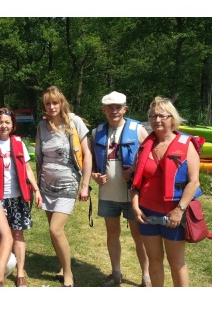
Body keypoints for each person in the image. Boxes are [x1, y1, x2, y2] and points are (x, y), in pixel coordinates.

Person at [131, 96, 202, 287]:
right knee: (154, 260)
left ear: (172, 118)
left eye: (162, 116)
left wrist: (179, 210)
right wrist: (135, 206)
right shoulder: (145, 145)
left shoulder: (187, 144)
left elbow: (194, 182)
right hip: (146, 212)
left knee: (176, 262)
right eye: (153, 116)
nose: (157, 120)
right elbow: (137, 181)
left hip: (174, 213)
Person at [0, 107, 42, 287]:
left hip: (16, 198)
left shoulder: (19, 143)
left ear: (13, 125)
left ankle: (20, 273)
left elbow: (27, 169)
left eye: (7, 122)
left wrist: (36, 190)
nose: (3, 126)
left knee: (17, 235)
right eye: (0, 122)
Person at [91, 91, 151, 287]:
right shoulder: (96, 132)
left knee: (139, 235)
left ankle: (146, 276)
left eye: (118, 107)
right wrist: (94, 175)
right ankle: (116, 273)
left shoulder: (139, 130)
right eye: (110, 108)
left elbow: (151, 158)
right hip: (108, 193)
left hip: (133, 194)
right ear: (104, 110)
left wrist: (135, 170)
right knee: (112, 232)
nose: (114, 111)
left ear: (125, 109)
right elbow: (92, 162)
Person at [35, 86, 92, 287]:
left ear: (62, 103)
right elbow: (39, 159)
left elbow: (87, 154)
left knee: (55, 229)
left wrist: (85, 185)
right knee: (54, 232)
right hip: (46, 184)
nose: (51, 107)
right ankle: (62, 265)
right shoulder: (42, 127)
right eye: (47, 103)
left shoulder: (74, 123)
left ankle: (68, 273)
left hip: (68, 182)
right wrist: (37, 188)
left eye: (55, 103)